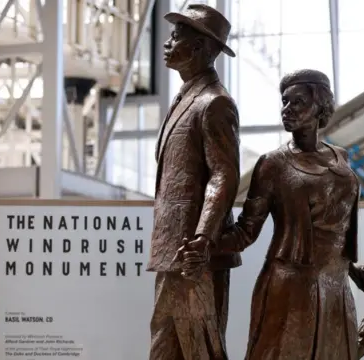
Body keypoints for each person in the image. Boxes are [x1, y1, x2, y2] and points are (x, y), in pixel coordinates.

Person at [181, 69, 362, 359]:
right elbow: (245, 231)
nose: (287, 110)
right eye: (285, 102)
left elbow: (339, 229)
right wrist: (205, 243)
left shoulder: (341, 157)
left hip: (336, 284)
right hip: (291, 284)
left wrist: (356, 271)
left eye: (298, 102)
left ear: (320, 107)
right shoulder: (273, 164)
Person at [146, 4, 241, 360]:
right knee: (167, 345)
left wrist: (203, 238)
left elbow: (224, 174)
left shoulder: (215, 103)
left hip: (194, 253)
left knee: (199, 347)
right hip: (177, 250)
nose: (168, 44)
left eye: (176, 37)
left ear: (201, 48)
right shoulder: (187, 97)